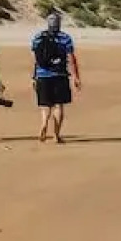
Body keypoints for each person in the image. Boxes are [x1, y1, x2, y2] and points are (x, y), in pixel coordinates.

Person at [31, 11, 81, 144]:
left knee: (45, 105)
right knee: (58, 105)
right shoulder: (65, 38)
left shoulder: (38, 38)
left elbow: (36, 59)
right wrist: (76, 76)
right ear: (59, 24)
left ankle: (43, 125)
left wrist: (34, 76)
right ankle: (56, 135)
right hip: (60, 75)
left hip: (42, 75)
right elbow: (71, 58)